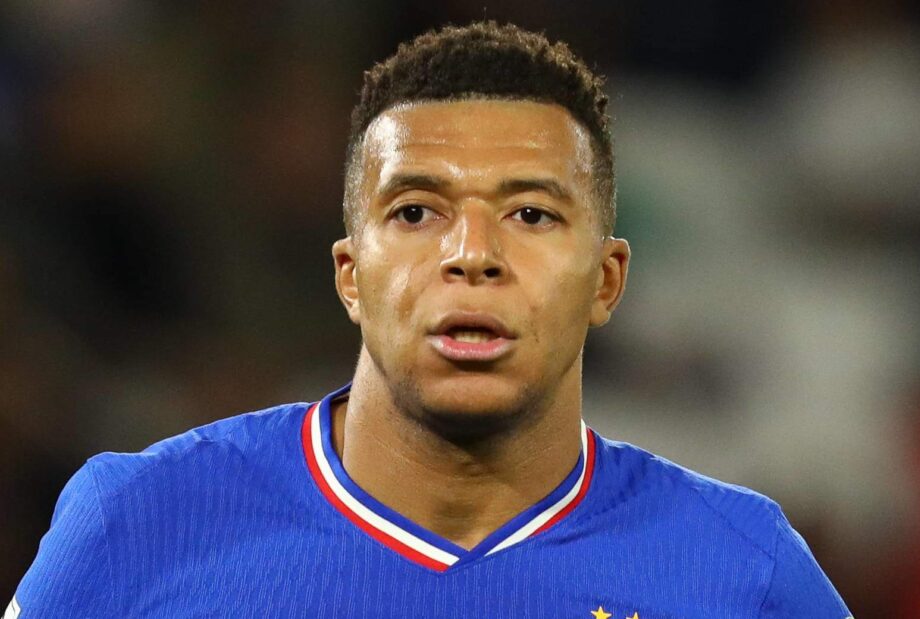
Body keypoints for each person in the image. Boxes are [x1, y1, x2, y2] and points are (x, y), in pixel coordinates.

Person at [11, 22, 851, 618]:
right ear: (350, 275)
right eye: (416, 211)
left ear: (606, 280)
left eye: (530, 214)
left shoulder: (744, 570)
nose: (471, 254)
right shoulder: (138, 521)